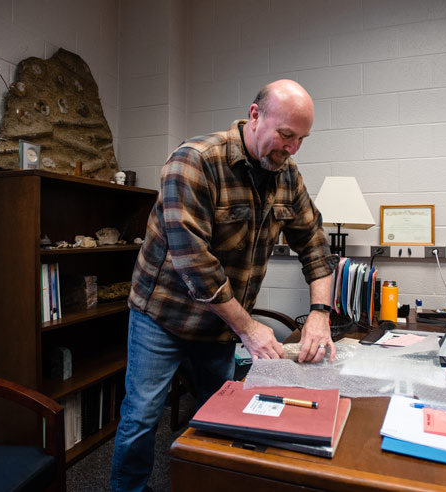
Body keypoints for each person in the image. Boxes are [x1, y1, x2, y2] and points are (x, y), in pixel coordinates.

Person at [110, 79, 339, 492]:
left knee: (221, 412)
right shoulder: (194, 161)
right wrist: (249, 328)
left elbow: (315, 246)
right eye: (286, 135)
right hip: (162, 315)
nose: (292, 149)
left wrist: (320, 315)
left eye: (301, 139)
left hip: (219, 323)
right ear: (255, 116)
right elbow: (194, 264)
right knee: (142, 415)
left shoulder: (287, 175)